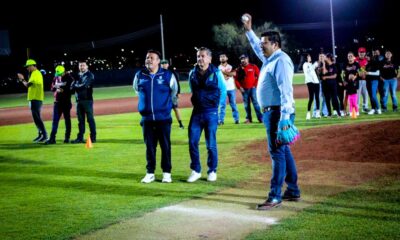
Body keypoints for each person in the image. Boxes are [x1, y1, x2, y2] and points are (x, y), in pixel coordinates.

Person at [242, 14, 300, 210]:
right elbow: (255, 44)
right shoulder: (270, 58)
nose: (261, 46)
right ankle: (292, 190)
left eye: (264, 43)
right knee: (283, 151)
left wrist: (284, 119)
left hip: (278, 114)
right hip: (272, 113)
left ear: (275, 44)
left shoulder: (281, 61)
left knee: (277, 153)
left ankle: (275, 196)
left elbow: (286, 92)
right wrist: (249, 29)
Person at [133, 50, 178, 183]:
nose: (149, 60)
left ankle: (166, 173)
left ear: (158, 61)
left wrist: (164, 106)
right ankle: (150, 172)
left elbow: (174, 91)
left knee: (165, 146)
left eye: (152, 58)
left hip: (163, 118)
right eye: (147, 58)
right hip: (147, 119)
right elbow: (137, 90)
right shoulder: (140, 75)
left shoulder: (167, 75)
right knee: (150, 147)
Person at [186, 47, 227, 183]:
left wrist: (218, 111)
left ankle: (212, 170)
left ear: (209, 58)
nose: (200, 59)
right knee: (192, 142)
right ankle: (196, 170)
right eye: (198, 56)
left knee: (210, 144)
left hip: (211, 112)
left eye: (203, 56)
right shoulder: (192, 73)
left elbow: (223, 91)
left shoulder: (216, 73)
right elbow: (193, 90)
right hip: (197, 112)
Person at [17, 59, 48, 143]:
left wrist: (22, 79)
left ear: (32, 66)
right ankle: (41, 135)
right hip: (33, 99)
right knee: (36, 118)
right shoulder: (34, 74)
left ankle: (45, 135)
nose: (27, 68)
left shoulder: (36, 73)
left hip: (36, 98)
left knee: (37, 118)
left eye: (28, 66)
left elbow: (28, 85)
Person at [45, 65, 74, 144]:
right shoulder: (56, 78)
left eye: (60, 74)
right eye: (58, 74)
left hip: (66, 102)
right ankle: (52, 139)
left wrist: (63, 90)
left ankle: (67, 138)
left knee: (67, 120)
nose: (59, 75)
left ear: (64, 72)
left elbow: (72, 91)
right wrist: (56, 89)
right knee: (55, 121)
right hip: (57, 102)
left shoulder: (69, 78)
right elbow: (52, 88)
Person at [70, 60, 96, 143]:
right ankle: (80, 138)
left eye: (83, 65)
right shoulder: (77, 75)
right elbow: (71, 88)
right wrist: (74, 85)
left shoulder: (90, 75)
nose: (81, 67)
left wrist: (75, 86)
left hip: (87, 100)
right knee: (80, 121)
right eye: (80, 65)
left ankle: (93, 138)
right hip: (78, 101)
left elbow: (84, 86)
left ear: (87, 66)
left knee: (90, 119)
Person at [235, 54, 263, 123]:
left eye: (244, 58)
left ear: (248, 59)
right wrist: (239, 87)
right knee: (246, 105)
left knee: (256, 103)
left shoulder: (253, 66)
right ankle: (249, 119)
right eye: (241, 59)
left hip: (253, 88)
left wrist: (255, 85)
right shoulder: (238, 69)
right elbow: (236, 79)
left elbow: (259, 76)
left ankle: (260, 118)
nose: (243, 60)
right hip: (244, 89)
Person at [160, 59, 184, 129]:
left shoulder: (172, 72)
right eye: (162, 63)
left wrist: (178, 92)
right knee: (164, 110)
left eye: (165, 63)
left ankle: (180, 123)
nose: (164, 64)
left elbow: (177, 83)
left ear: (168, 64)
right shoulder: (159, 73)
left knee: (175, 108)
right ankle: (165, 124)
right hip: (163, 95)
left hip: (172, 94)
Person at [218, 53, 240, 124]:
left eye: (224, 57)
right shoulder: (218, 68)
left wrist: (223, 73)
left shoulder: (231, 66)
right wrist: (227, 74)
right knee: (222, 105)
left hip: (231, 88)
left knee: (233, 104)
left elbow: (233, 74)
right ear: (219, 59)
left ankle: (236, 119)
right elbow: (219, 77)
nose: (222, 58)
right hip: (222, 89)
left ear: (227, 58)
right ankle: (221, 120)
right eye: (221, 57)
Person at [302, 53, 320, 119]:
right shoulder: (305, 64)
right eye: (308, 57)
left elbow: (315, 72)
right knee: (311, 98)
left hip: (316, 82)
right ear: (306, 58)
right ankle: (308, 113)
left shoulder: (310, 64)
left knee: (317, 97)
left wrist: (316, 65)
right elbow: (308, 71)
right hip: (310, 82)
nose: (310, 57)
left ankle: (317, 113)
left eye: (309, 56)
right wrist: (314, 65)